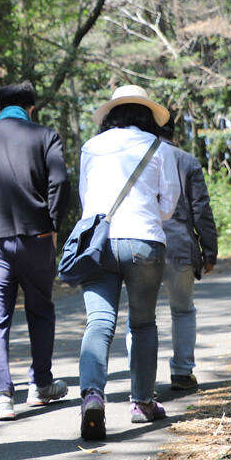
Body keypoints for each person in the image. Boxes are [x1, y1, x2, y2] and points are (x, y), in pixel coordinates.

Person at [75, 84, 180, 441]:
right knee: (143, 324)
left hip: (98, 244)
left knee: (99, 323)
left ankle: (92, 395)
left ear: (111, 114)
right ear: (147, 115)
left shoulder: (91, 147)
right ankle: (143, 402)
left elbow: (86, 198)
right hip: (143, 240)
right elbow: (168, 207)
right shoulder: (159, 148)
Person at [0, 82, 71, 421]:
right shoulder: (45, 135)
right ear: (31, 108)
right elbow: (61, 182)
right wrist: (52, 225)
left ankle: (2, 398)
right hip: (36, 237)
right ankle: (39, 385)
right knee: (40, 310)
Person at [125, 118, 218, 393]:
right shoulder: (187, 161)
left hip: (140, 245)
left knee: (139, 317)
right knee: (183, 310)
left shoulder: (130, 158)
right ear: (172, 134)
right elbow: (201, 210)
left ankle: (140, 379)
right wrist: (209, 250)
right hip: (180, 247)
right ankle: (181, 372)